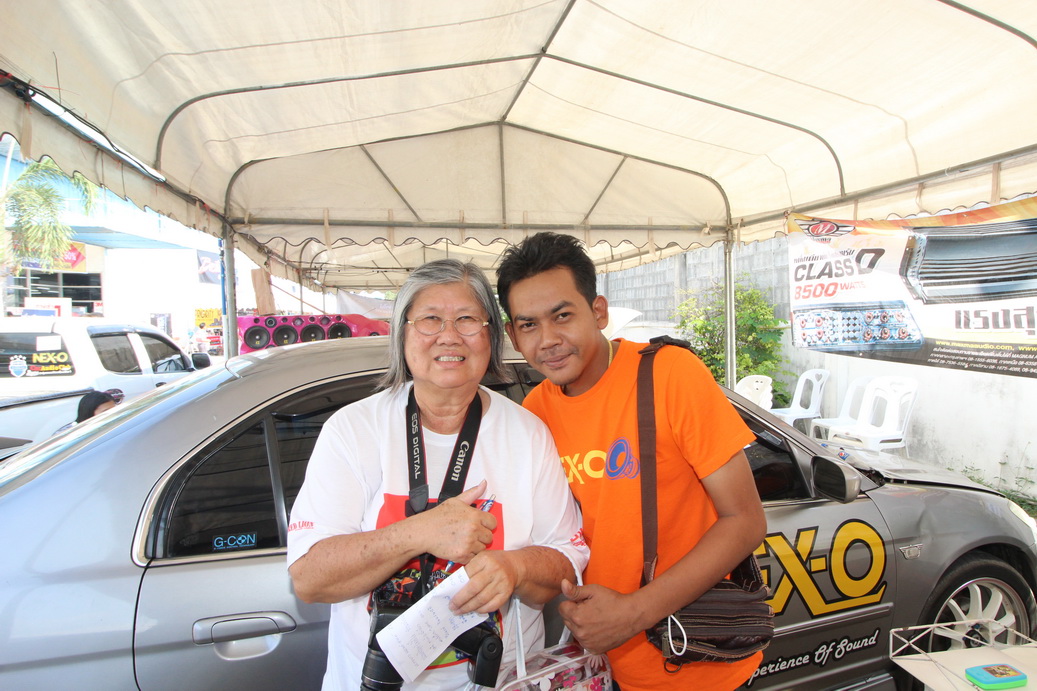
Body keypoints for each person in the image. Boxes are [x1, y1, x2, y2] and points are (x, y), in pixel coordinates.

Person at [288, 258, 589, 690]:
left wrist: (517, 567)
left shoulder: (527, 433)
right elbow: (309, 579)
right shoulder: (354, 430)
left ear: (491, 336)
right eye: (430, 319)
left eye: (467, 319)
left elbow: (567, 561)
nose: (449, 336)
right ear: (403, 334)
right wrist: (419, 532)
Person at [496, 232, 766, 691]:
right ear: (512, 336)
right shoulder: (535, 412)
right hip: (600, 669)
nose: (549, 340)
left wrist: (633, 613)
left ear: (598, 312)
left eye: (563, 316)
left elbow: (745, 520)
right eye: (529, 325)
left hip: (697, 663)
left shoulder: (670, 374)